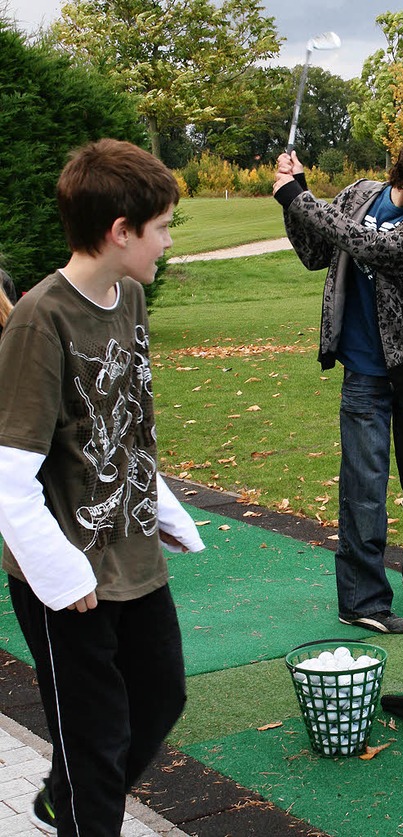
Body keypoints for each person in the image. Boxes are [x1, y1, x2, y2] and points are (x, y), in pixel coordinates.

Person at [0, 138, 206, 836]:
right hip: (69, 576)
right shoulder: (40, 319)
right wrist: (57, 567)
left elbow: (126, 424)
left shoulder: (132, 297)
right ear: (121, 232)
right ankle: (79, 801)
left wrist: (162, 506)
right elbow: (8, 474)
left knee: (159, 697)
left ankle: (63, 792)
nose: (168, 242)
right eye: (163, 228)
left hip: (133, 552)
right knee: (95, 743)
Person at [273, 125, 403, 635]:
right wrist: (290, 199)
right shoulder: (361, 194)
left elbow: (366, 246)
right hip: (363, 374)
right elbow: (317, 251)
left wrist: (300, 198)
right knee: (364, 491)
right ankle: (362, 600)